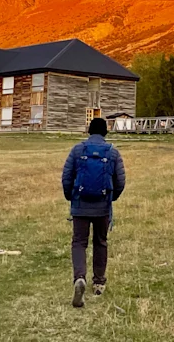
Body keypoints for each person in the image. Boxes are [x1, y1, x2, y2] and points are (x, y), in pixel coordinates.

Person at [61, 117, 126, 308]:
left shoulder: (77, 150)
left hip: (80, 204)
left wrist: (71, 197)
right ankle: (98, 282)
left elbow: (66, 177)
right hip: (102, 205)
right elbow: (120, 181)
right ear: (105, 132)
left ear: (89, 130)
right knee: (100, 242)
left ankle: (79, 278)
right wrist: (111, 198)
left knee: (79, 242)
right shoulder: (113, 152)